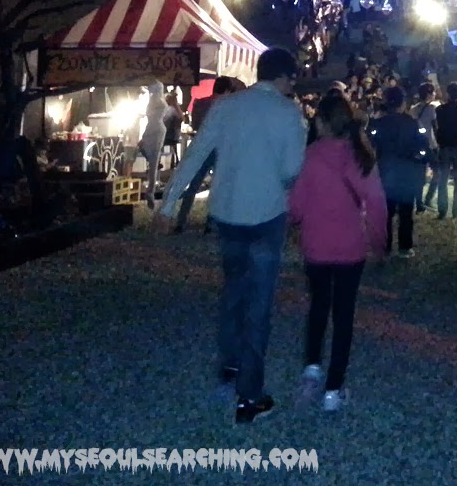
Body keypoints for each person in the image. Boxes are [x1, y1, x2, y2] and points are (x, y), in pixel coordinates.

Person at [158, 48, 307, 424]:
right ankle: (250, 396)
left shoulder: (226, 107)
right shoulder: (289, 113)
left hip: (227, 211)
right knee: (260, 303)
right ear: (285, 77)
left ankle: (229, 364)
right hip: (267, 213)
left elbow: (195, 155)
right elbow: (292, 169)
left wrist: (168, 204)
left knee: (233, 289)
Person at [287, 94, 387, 412]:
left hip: (316, 244)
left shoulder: (312, 155)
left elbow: (296, 207)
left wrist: (293, 222)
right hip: (350, 247)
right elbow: (377, 206)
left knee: (318, 306)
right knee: (344, 315)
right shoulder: (362, 156)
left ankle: (312, 368)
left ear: (321, 122)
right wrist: (379, 242)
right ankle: (333, 390)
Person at [172, 77, 241, 234]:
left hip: (202, 147)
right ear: (227, 90)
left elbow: (195, 125)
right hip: (220, 149)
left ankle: (181, 221)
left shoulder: (200, 103)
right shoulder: (230, 108)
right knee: (217, 187)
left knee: (193, 185)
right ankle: (210, 222)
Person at [368, 86, 428, 258]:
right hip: (407, 171)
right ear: (403, 102)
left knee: (385, 212)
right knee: (406, 212)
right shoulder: (413, 122)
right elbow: (422, 146)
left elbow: (371, 144)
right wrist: (419, 159)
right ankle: (404, 247)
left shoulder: (379, 123)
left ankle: (384, 246)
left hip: (385, 171)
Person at [429, 82, 457, 219]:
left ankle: (442, 210)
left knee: (443, 179)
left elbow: (436, 126)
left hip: (444, 146)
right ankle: (456, 210)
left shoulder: (440, 110)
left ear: (448, 93)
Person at [411, 82, 439, 213]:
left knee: (419, 174)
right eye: (433, 92)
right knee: (437, 172)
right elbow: (435, 127)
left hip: (417, 145)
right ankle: (428, 199)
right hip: (431, 145)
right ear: (429, 94)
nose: (435, 94)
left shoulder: (413, 109)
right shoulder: (432, 109)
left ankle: (419, 202)